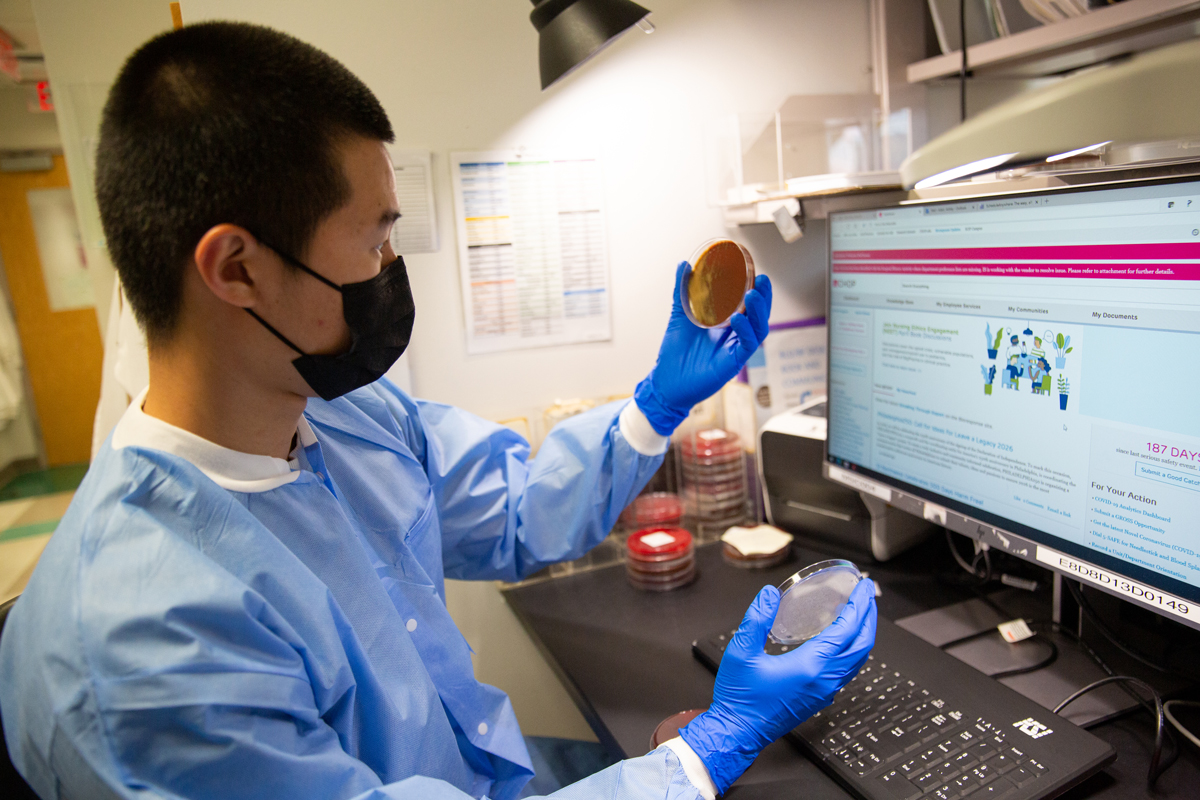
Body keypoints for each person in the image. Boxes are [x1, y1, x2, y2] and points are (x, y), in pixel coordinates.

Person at [0, 22, 876, 800]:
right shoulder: (150, 648)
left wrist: (655, 406)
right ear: (236, 269)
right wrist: (695, 763)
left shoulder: (339, 412)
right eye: (375, 238)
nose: (391, 266)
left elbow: (518, 510)